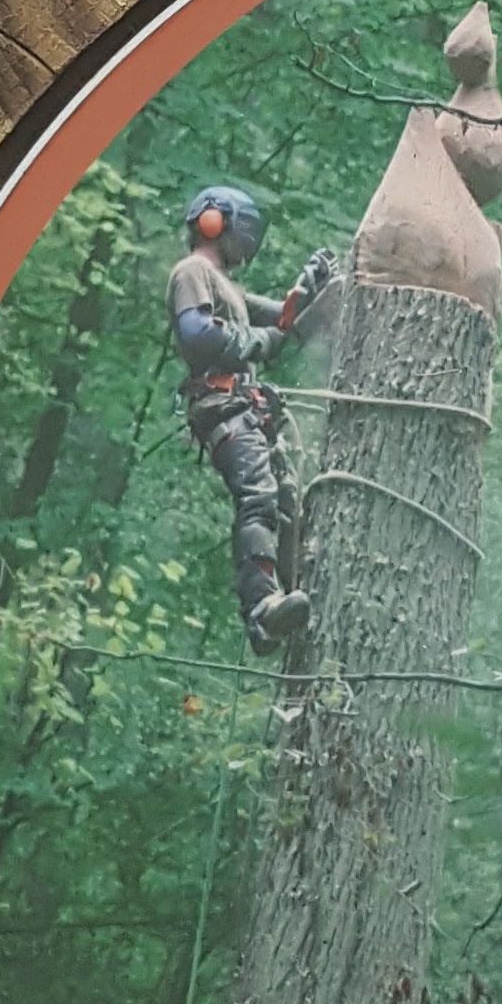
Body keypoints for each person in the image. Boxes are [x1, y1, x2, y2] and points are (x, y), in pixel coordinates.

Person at [167, 186, 335, 655]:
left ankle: (290, 602)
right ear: (215, 222)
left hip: (245, 407)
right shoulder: (193, 271)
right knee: (258, 496)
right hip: (221, 405)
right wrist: (261, 342)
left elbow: (282, 324)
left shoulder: (229, 289)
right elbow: (198, 334)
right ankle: (261, 610)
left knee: (284, 500)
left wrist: (309, 293)